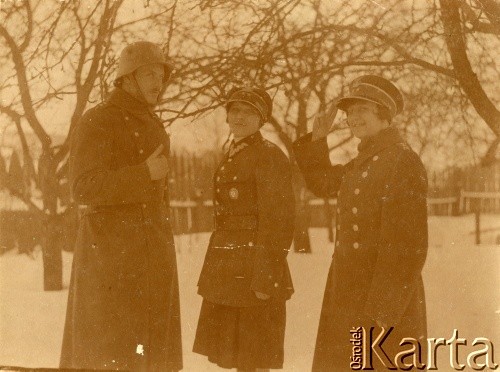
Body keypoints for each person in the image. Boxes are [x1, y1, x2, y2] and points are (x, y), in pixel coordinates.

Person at [60, 41, 182, 371]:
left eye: (161, 74)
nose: (158, 82)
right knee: (109, 354)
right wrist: (143, 174)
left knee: (150, 355)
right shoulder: (97, 120)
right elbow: (82, 188)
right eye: (149, 74)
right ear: (126, 78)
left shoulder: (155, 124)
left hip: (152, 256)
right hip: (110, 260)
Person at [293, 75, 428, 371]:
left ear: (384, 116)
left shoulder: (402, 160)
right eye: (350, 112)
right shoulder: (362, 161)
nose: (353, 118)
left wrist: (384, 307)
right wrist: (317, 139)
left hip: (383, 299)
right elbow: (324, 184)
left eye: (362, 110)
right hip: (348, 291)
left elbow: (408, 245)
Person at [193, 87, 295, 371]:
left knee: (255, 358)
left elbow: (280, 221)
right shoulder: (233, 153)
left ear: (261, 119)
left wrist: (265, 277)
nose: (239, 117)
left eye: (248, 112)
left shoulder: (269, 155)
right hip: (229, 272)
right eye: (234, 110)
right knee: (237, 357)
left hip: (254, 273)